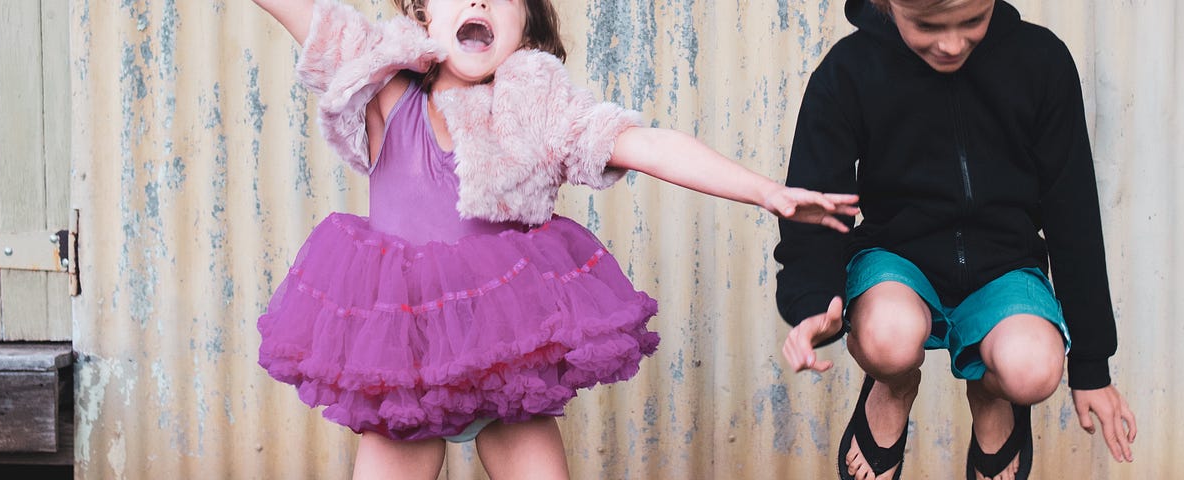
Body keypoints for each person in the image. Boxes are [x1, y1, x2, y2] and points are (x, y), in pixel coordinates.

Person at [249, 0, 860, 478]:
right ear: (422, 16)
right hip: (404, 355)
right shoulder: (388, 93)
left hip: (504, 350)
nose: (482, 7)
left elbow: (646, 144)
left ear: (527, 32)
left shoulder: (537, 111)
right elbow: (310, 18)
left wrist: (764, 191)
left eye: (504, 2)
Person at [774, 1, 1137, 478]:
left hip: (1004, 266)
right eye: (926, 26)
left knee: (1034, 369)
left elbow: (1073, 212)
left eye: (971, 22)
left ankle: (991, 392)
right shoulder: (850, 70)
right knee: (890, 336)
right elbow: (817, 196)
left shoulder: (1042, 62)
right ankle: (895, 386)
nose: (951, 44)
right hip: (895, 261)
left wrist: (1091, 366)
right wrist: (813, 302)